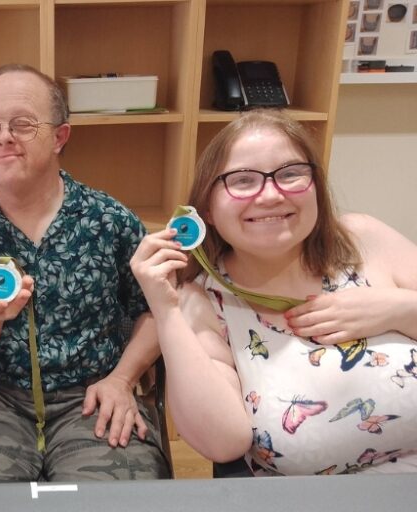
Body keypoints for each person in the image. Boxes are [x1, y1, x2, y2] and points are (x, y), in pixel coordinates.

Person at [0, 63, 170, 483]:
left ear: (60, 137)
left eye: (22, 124)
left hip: (92, 395)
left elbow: (156, 311)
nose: (4, 137)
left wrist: (123, 380)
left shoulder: (106, 219)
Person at [131, 109, 417, 475]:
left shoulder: (362, 240)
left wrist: (398, 309)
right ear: (207, 210)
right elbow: (222, 442)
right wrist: (165, 309)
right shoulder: (203, 303)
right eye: (243, 180)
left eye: (290, 174)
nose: (270, 194)